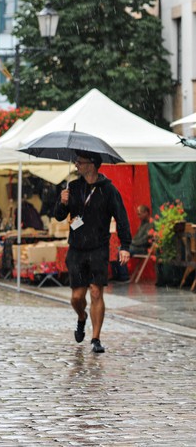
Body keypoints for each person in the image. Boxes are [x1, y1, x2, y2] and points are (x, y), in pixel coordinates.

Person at [54, 151, 131, 353]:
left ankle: (96, 338)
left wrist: (125, 246)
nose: (76, 165)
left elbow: (122, 218)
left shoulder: (108, 190)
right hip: (77, 248)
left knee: (96, 292)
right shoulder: (73, 187)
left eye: (80, 162)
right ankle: (81, 317)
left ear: (92, 165)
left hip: (99, 247)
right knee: (77, 297)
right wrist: (62, 203)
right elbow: (60, 216)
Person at [112, 204, 153, 281]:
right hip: (135, 246)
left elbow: (145, 240)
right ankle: (117, 276)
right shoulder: (142, 223)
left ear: (146, 213)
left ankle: (124, 276)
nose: (138, 216)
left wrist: (131, 243)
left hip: (142, 248)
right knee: (115, 251)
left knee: (121, 251)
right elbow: (137, 237)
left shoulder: (151, 224)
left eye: (139, 214)